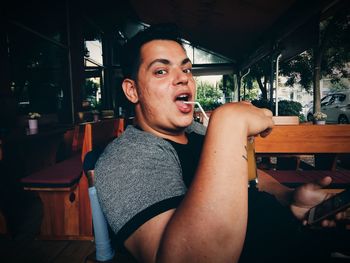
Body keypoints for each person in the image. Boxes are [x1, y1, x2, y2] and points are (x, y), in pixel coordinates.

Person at [95, 24, 346, 263]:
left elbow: (252, 181)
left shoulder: (197, 132)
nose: (183, 78)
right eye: (161, 71)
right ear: (132, 90)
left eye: (186, 69)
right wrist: (229, 121)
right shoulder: (126, 158)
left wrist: (290, 198)